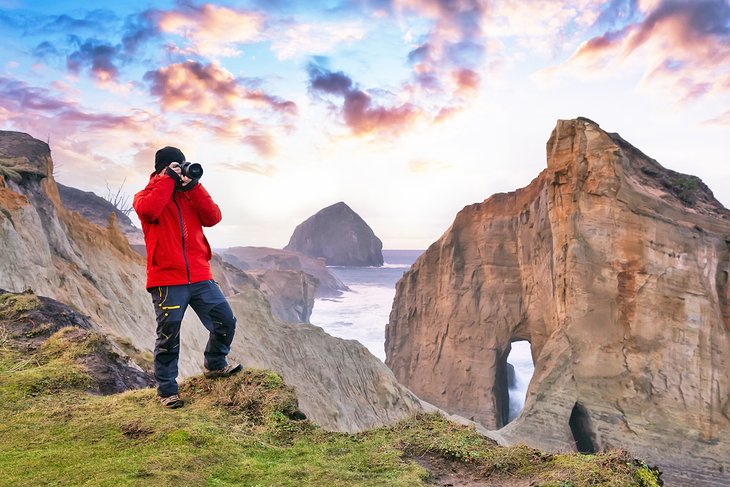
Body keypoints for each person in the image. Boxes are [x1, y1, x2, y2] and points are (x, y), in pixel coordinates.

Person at [133, 146, 242, 409]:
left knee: (225, 321)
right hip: (167, 280)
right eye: (174, 167)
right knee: (169, 335)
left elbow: (213, 217)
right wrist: (166, 181)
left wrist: (194, 186)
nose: (180, 172)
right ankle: (167, 391)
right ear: (161, 170)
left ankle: (215, 364)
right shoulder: (145, 195)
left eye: (182, 166)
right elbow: (149, 211)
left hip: (200, 275)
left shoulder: (190, 195)